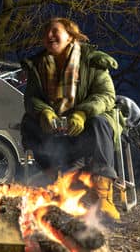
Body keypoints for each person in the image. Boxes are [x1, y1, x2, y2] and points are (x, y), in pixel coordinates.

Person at [20, 17, 122, 220]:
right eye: (46, 32)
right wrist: (44, 113)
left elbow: (106, 95)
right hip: (56, 133)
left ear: (70, 36)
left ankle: (103, 196)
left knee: (100, 121)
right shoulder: (38, 66)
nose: (49, 35)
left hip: (86, 133)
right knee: (29, 121)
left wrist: (82, 113)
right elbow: (31, 99)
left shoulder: (92, 61)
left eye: (55, 30)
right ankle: (52, 180)